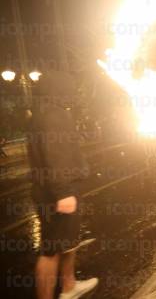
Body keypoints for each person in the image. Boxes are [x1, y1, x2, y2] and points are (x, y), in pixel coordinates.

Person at [27, 71, 98, 299]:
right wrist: (64, 193)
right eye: (69, 89)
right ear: (58, 90)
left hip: (55, 189)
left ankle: (69, 287)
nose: (73, 94)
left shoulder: (42, 113)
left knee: (67, 242)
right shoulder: (54, 116)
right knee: (51, 250)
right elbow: (54, 156)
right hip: (57, 192)